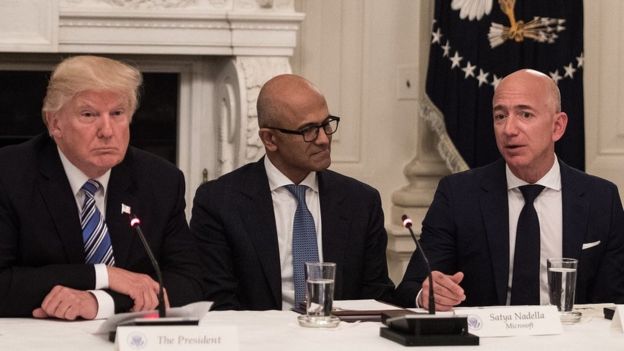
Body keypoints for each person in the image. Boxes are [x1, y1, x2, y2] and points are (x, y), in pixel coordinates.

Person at [394, 69, 624, 310]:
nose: (509, 129)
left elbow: (615, 301)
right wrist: (427, 294)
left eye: (525, 114)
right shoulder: (459, 194)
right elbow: (410, 288)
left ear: (557, 126)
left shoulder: (601, 199)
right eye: (500, 116)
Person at [0, 55, 203, 320]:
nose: (107, 131)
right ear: (55, 124)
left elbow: (190, 282)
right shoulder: (9, 174)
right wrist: (104, 275)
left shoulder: (160, 180)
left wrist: (100, 302)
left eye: (117, 114)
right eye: (89, 114)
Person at [190, 74, 395, 310]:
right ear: (270, 139)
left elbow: (376, 296)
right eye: (308, 130)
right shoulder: (219, 202)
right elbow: (218, 302)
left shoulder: (361, 201)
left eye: (326, 124)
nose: (324, 140)